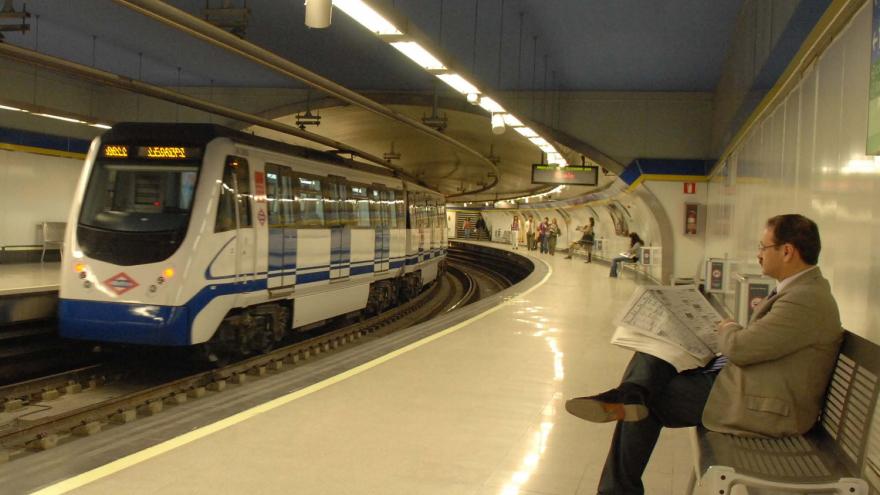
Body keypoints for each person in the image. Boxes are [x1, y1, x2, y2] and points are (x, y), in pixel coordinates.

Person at [566, 214, 843, 494]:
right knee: (658, 347)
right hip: (745, 384)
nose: (758, 255)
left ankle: (629, 413)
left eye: (763, 247)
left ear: (787, 251)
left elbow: (740, 347)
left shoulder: (805, 299)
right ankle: (630, 393)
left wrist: (729, 327)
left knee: (647, 403)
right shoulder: (802, 291)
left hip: (765, 407)